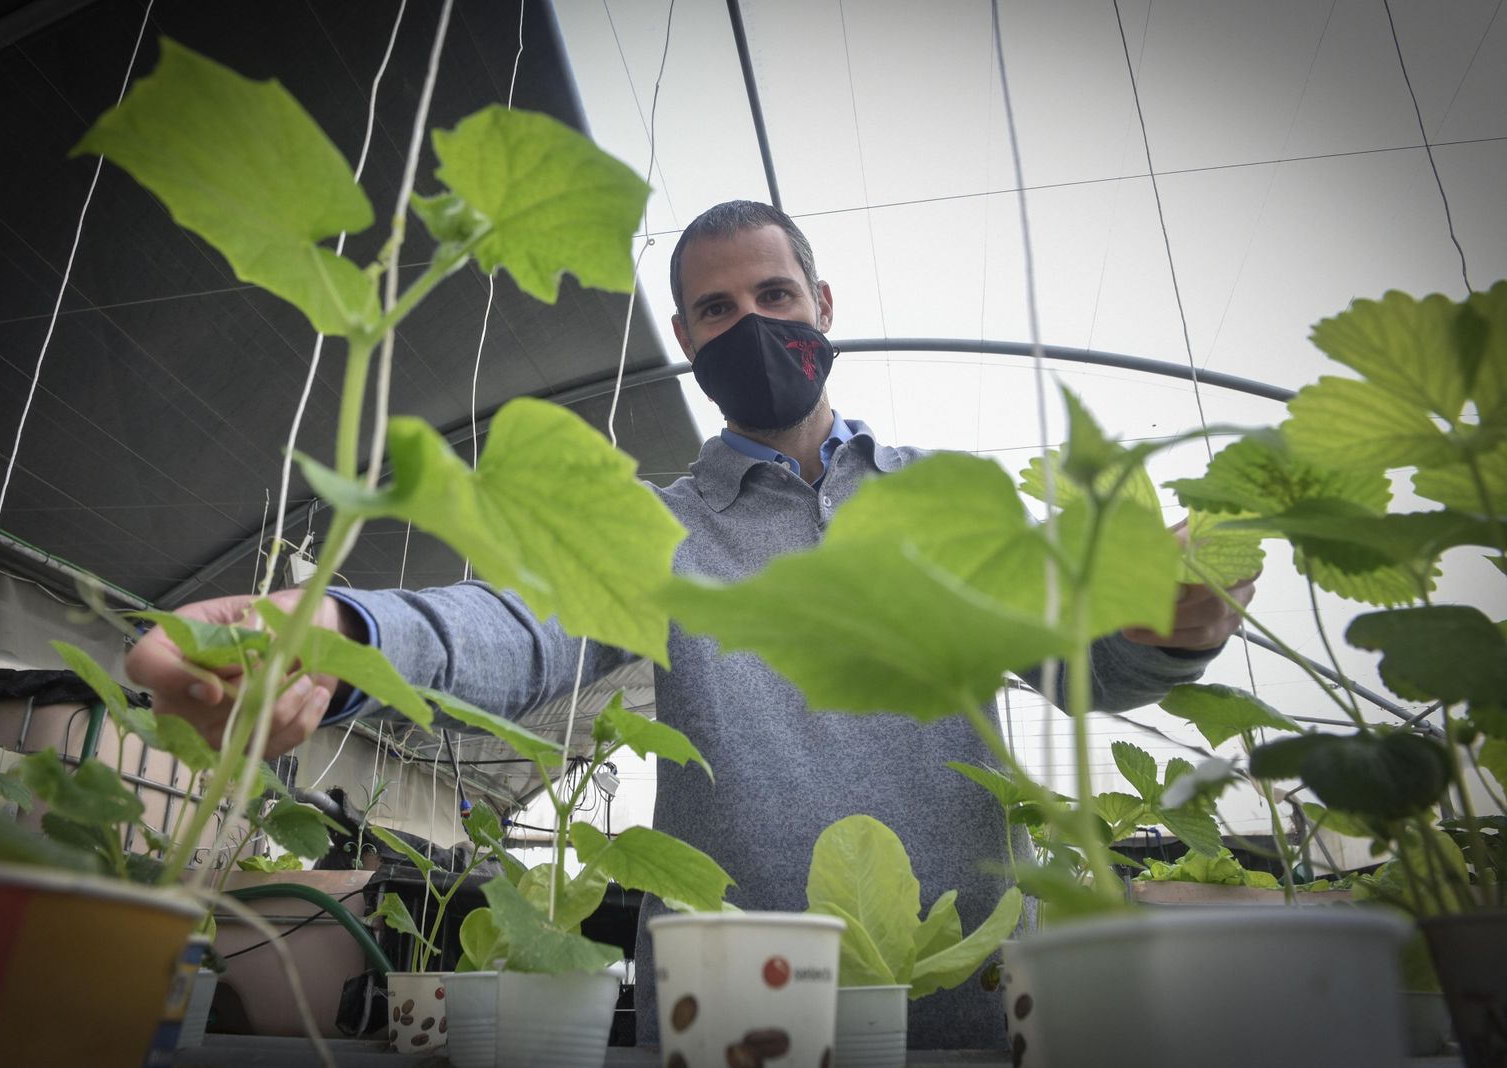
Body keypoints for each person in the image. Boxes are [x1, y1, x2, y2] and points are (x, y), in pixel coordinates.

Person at [126, 200, 1255, 1050]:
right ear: (685, 335)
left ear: (822, 308)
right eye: (718, 309)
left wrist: (1172, 629)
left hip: (969, 998)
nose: (751, 325)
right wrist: (340, 626)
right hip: (740, 1010)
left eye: (773, 296)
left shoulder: (949, 502)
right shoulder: (654, 531)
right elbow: (517, 628)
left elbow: (1083, 671)